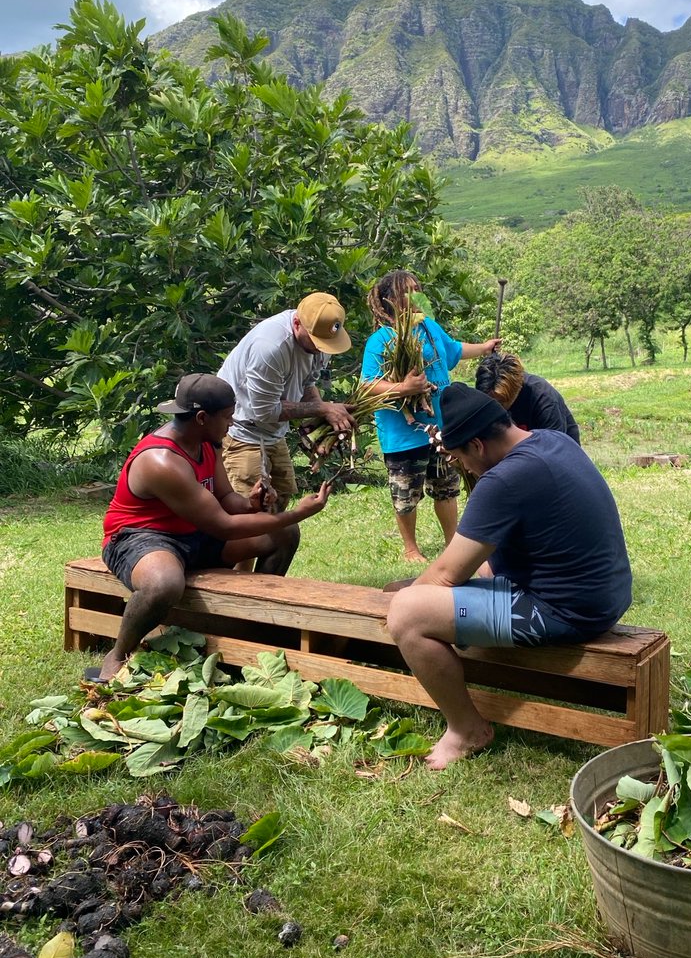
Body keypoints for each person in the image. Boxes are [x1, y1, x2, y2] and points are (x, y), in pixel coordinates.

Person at [386, 382, 632, 769]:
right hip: (601, 594)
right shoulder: (551, 440)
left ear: (478, 446)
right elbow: (475, 558)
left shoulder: (503, 480)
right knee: (446, 583)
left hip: (568, 611)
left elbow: (446, 574)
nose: (464, 468)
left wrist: (414, 600)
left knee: (406, 614)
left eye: (461, 458)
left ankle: (467, 730)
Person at [95, 373, 332, 682]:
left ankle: (254, 627)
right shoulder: (162, 462)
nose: (232, 424)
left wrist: (251, 503)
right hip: (140, 537)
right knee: (164, 584)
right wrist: (298, 513)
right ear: (202, 418)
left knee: (283, 535)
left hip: (193, 534)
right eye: (227, 417)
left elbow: (226, 498)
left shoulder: (207, 443)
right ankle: (118, 654)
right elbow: (224, 527)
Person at [361, 270, 500, 563]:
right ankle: (411, 549)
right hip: (403, 433)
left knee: (446, 486)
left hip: (441, 425)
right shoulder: (381, 340)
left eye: (417, 288)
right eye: (407, 290)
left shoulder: (429, 328)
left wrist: (484, 348)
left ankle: (453, 542)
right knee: (405, 494)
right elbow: (368, 384)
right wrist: (404, 388)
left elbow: (453, 350)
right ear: (389, 300)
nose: (415, 294)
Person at [218, 293, 353, 512]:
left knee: (282, 495)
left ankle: (275, 546)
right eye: (317, 342)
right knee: (251, 508)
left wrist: (323, 423)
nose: (321, 349)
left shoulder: (323, 342)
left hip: (274, 432)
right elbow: (264, 411)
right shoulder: (270, 347)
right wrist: (324, 407)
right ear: (297, 323)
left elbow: (308, 384)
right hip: (243, 431)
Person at [475, 351, 580, 443]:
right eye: (490, 402)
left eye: (500, 403)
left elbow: (553, 451)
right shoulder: (485, 395)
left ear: (516, 390)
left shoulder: (544, 399)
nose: (495, 408)